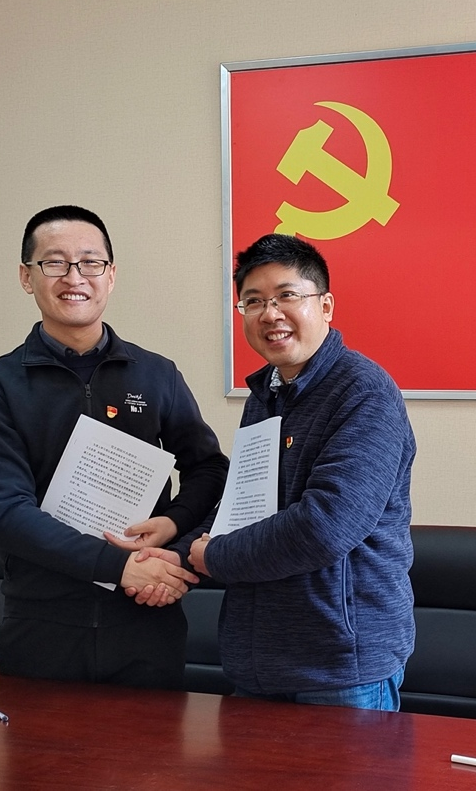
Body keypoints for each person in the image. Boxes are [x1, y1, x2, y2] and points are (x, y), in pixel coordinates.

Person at [137, 233, 416, 710]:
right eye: (253, 301)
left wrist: (212, 557)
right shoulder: (266, 396)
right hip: (257, 660)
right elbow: (242, 508)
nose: (270, 314)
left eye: (287, 295)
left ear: (325, 305)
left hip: (338, 669)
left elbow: (325, 527)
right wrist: (175, 558)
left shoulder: (364, 392)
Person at [0, 204, 228, 688]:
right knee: (39, 742)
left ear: (111, 275)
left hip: (146, 619)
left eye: (90, 262)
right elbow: (6, 512)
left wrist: (172, 526)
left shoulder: (157, 374)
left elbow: (210, 470)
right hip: (42, 626)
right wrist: (119, 566)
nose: (74, 277)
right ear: (26, 277)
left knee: (151, 741)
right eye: (54, 262)